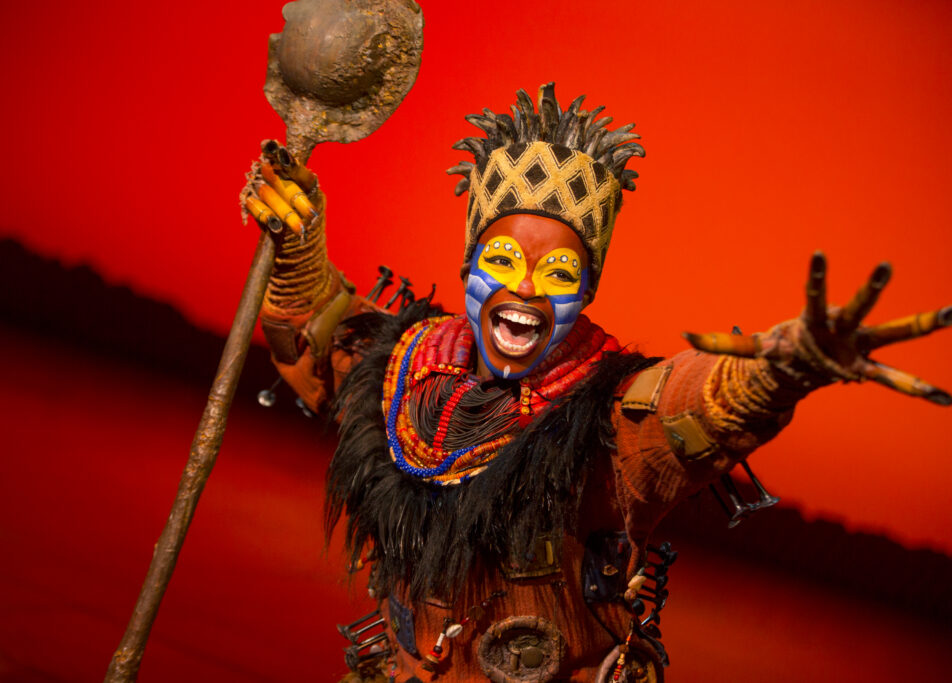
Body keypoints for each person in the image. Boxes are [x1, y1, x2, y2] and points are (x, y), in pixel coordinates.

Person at [241, 83, 949, 682]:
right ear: (468, 267)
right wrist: (298, 242)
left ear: (586, 292)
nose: (525, 289)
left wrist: (786, 365)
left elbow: (685, 407)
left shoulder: (600, 415)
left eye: (557, 275)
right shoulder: (410, 364)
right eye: (503, 258)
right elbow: (325, 344)